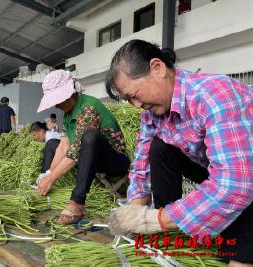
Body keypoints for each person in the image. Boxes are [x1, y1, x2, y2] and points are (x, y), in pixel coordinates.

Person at [106, 39, 253, 266]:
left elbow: (236, 185)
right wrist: (135, 211)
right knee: (160, 148)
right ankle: (172, 236)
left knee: (236, 250)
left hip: (244, 176)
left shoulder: (215, 94)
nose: (136, 105)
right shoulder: (152, 114)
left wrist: (154, 219)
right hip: (222, 173)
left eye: (134, 94)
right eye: (128, 100)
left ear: (158, 68)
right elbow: (142, 163)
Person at [36, 69, 130, 225]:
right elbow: (64, 146)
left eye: (59, 100)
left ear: (71, 93)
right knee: (52, 143)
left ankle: (77, 202)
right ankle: (42, 182)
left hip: (114, 161)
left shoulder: (88, 107)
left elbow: (77, 150)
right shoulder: (68, 115)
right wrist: (48, 174)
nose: (57, 105)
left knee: (90, 136)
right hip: (90, 160)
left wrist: (52, 179)